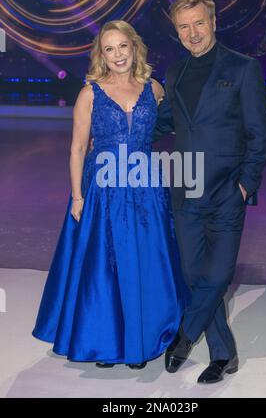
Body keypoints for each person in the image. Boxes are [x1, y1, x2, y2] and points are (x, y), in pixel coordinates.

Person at [32, 20, 189, 369]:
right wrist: (77, 197)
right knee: (106, 266)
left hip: (146, 186)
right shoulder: (90, 93)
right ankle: (105, 341)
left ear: (134, 47)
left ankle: (143, 339)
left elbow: (172, 126)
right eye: (109, 48)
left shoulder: (155, 88)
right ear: (101, 54)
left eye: (123, 46)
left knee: (145, 262)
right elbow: (76, 148)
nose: (117, 55)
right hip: (103, 189)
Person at [153, 0, 266, 384]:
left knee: (217, 277)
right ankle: (223, 354)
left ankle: (185, 337)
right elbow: (165, 123)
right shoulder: (175, 73)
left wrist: (244, 185)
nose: (193, 33)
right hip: (185, 191)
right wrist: (127, 115)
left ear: (214, 22)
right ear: (177, 31)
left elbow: (260, 133)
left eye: (199, 23)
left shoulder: (242, 68)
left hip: (226, 193)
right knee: (195, 277)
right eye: (184, 26)